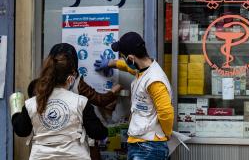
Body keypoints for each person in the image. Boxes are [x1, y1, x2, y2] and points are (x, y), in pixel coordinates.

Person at [11, 43, 108, 159]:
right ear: (71, 77)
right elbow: (98, 132)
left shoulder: (32, 103)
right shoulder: (80, 102)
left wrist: (15, 109)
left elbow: (21, 131)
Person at [94, 32, 173, 160]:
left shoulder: (155, 80)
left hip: (149, 147)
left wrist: (166, 135)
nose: (123, 59)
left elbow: (166, 112)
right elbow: (129, 67)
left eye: (123, 57)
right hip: (140, 143)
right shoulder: (143, 70)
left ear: (131, 58)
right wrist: (111, 63)